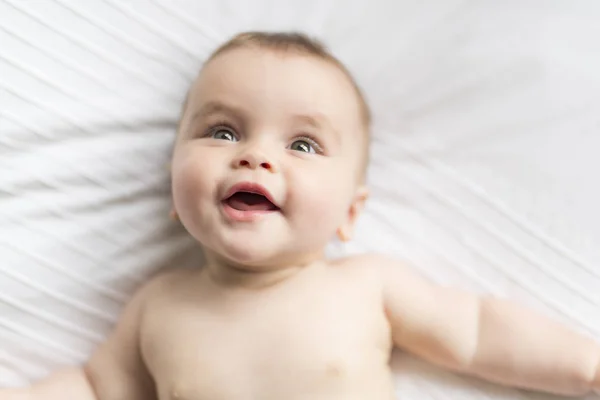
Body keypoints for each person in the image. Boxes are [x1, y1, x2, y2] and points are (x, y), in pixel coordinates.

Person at [2, 31, 599, 400]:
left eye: (303, 145)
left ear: (349, 212)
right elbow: (94, 388)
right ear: (172, 188)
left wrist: (589, 367)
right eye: (222, 130)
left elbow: (476, 333)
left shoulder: (366, 285)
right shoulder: (158, 305)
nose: (255, 155)